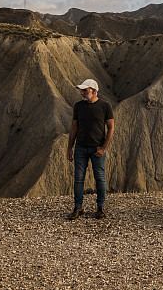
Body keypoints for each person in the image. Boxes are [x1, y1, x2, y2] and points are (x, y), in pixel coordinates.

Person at [66, 78, 114, 220]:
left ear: (94, 90)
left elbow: (111, 128)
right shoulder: (78, 106)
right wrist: (70, 148)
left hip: (97, 148)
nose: (82, 93)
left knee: (99, 178)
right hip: (80, 147)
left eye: (85, 90)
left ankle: (100, 208)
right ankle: (78, 208)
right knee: (78, 178)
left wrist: (103, 148)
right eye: (81, 90)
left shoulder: (105, 106)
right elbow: (74, 127)